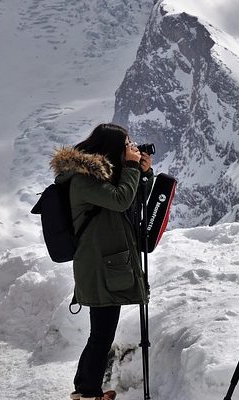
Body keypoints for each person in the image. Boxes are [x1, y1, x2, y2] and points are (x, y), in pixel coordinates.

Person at [50, 123, 153, 400]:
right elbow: (120, 200)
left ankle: (84, 389)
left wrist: (144, 173)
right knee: (101, 336)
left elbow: (132, 203)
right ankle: (88, 394)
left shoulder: (101, 178)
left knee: (100, 334)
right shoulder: (84, 180)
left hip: (106, 266)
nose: (131, 149)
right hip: (98, 268)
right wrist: (131, 170)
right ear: (111, 148)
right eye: (127, 145)